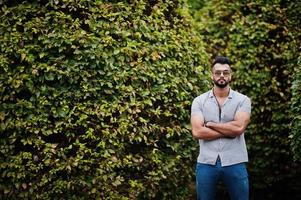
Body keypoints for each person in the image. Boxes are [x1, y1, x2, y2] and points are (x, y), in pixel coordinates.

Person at [191, 56, 251, 200]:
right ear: (212, 75)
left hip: (235, 161)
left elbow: (238, 128)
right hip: (206, 162)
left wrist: (211, 125)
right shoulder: (199, 101)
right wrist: (229, 130)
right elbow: (197, 131)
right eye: (218, 73)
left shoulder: (243, 100)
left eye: (225, 72)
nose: (221, 76)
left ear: (230, 75)